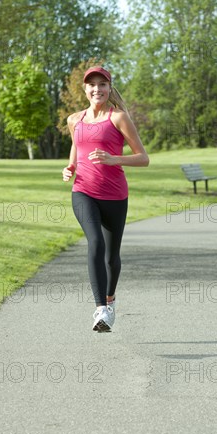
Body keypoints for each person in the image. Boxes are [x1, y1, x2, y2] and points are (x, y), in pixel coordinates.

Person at [62, 66, 149, 332]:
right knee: (95, 243)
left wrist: (113, 159)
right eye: (92, 85)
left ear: (109, 88)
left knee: (112, 257)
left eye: (102, 84)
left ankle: (110, 300)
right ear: (85, 89)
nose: (97, 89)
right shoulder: (74, 119)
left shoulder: (119, 118)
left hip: (114, 194)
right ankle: (100, 309)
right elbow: (77, 148)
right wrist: (70, 168)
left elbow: (143, 158)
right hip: (83, 191)